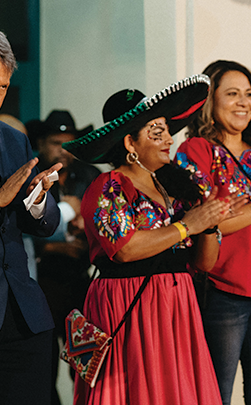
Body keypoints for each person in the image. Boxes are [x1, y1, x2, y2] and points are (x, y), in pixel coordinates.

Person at [62, 75, 242, 404]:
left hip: (178, 306)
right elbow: (125, 249)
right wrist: (187, 226)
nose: (168, 139)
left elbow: (203, 262)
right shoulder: (108, 186)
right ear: (130, 144)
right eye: (155, 131)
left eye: (166, 130)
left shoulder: (178, 184)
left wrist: (211, 220)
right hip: (127, 306)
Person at [175, 60, 251, 405]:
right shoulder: (195, 151)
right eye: (232, 94)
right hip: (223, 292)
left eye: (249, 95)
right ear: (210, 100)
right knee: (215, 394)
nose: (243, 103)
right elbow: (202, 223)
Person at [0, 31, 63, 405]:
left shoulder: (13, 139)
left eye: (3, 86)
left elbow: (45, 222)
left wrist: (38, 201)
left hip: (24, 316)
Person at [33, 110, 99, 405]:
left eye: (68, 142)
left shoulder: (90, 177)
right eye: (55, 142)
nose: (62, 149)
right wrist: (50, 248)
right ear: (41, 143)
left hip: (80, 285)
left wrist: (87, 230)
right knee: (41, 366)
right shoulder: (27, 178)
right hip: (40, 285)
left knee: (85, 364)